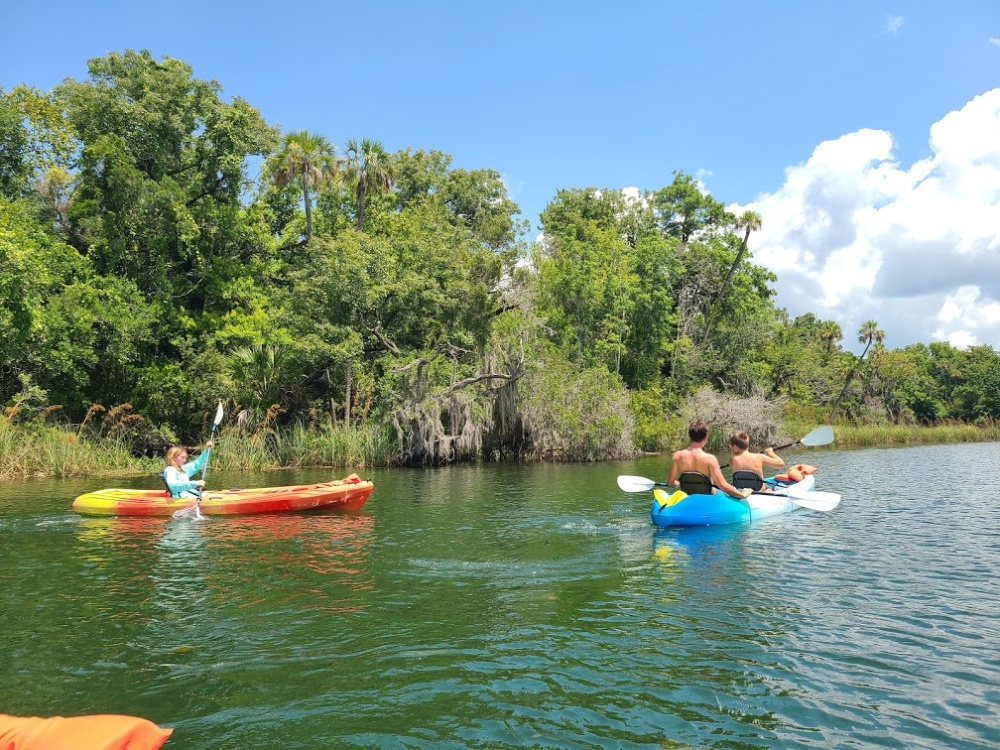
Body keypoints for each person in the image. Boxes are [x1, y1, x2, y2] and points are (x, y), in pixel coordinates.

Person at [667, 421, 751, 499]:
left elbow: (670, 483)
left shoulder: (677, 456)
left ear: (690, 436)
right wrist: (742, 495)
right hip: (709, 496)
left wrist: (684, 483)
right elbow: (723, 486)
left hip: (688, 495)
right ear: (706, 437)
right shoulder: (709, 459)